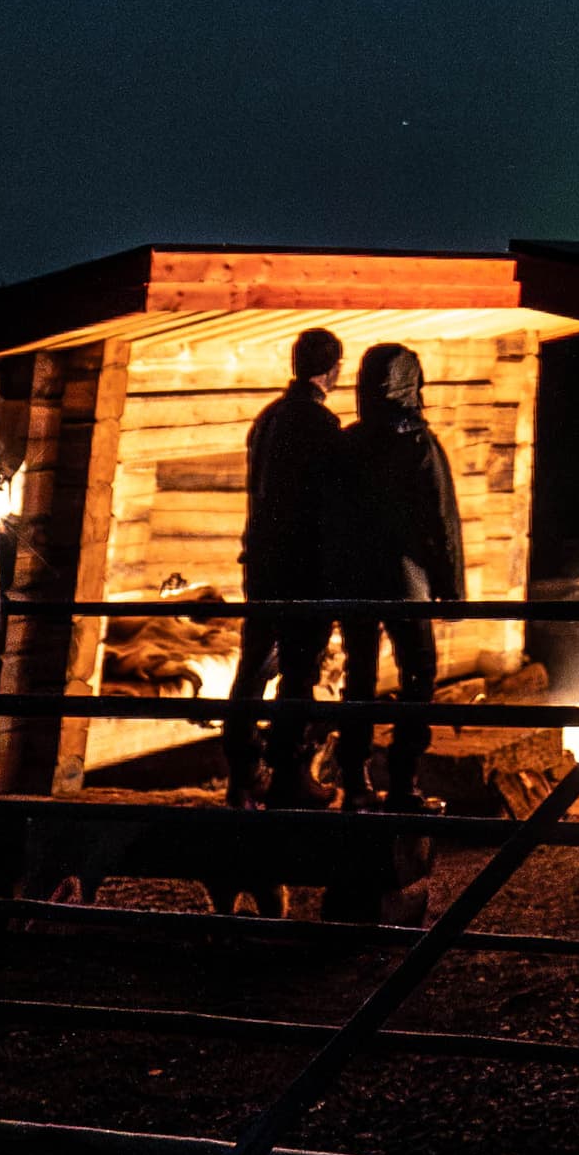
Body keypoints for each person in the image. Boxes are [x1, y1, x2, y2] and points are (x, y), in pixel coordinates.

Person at [218, 326, 347, 809]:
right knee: (297, 671)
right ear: (331, 369)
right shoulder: (318, 424)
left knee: (253, 666)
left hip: (263, 563)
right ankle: (289, 775)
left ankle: (244, 771)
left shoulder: (267, 419)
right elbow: (325, 508)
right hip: (301, 569)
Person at [334, 342, 465, 809]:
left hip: (353, 581)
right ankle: (404, 780)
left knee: (359, 677)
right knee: (417, 674)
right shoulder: (417, 445)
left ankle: (354, 780)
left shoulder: (348, 443)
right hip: (406, 582)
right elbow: (440, 520)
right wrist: (450, 588)